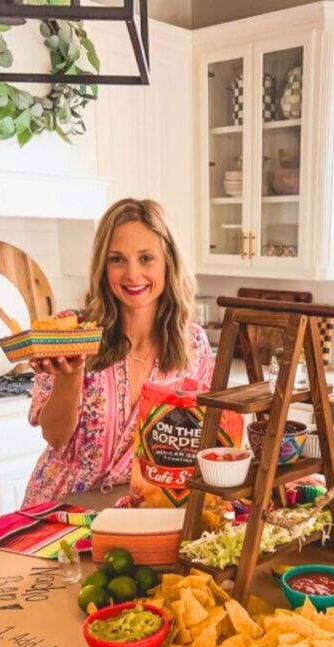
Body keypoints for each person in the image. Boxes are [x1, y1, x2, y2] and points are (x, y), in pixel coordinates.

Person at [22, 199, 215, 505]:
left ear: (168, 261)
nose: (132, 274)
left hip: (141, 510)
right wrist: (70, 376)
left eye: (146, 258)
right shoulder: (71, 333)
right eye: (117, 260)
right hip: (62, 508)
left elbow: (196, 445)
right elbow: (55, 437)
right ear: (103, 266)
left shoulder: (194, 347)